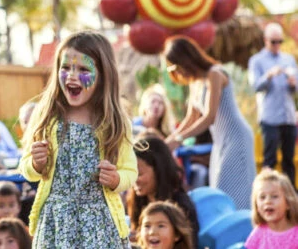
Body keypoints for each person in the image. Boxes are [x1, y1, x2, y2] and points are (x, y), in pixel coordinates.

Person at [18, 30, 137, 248]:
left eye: (83, 69)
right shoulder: (48, 117)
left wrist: (116, 179)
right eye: (65, 68)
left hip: (100, 224)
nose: (72, 76)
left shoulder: (114, 122)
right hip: (56, 223)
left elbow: (130, 171)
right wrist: (36, 164)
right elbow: (25, 168)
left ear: (103, 75)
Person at [163, 35, 256, 209]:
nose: (177, 73)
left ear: (186, 59)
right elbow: (191, 117)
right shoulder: (195, 82)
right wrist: (171, 139)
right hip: (220, 141)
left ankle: (245, 230)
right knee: (218, 188)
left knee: (231, 189)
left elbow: (209, 116)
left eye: (176, 66)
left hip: (236, 137)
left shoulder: (214, 73)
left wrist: (179, 138)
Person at [248, 22, 298, 187]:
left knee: (288, 160)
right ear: (265, 40)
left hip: (288, 116)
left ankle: (290, 197)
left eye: (280, 41)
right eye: (273, 41)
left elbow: (296, 88)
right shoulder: (257, 61)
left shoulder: (288, 59)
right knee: (269, 159)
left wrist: (292, 83)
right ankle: (264, 193)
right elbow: (255, 86)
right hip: (270, 117)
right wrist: (269, 75)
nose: (277, 45)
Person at [126, 137, 199, 247]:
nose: (134, 180)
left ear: (158, 170)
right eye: (147, 226)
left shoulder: (181, 206)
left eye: (139, 174)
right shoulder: (137, 201)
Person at [244, 169, 298, 248]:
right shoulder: (258, 233)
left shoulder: (295, 234)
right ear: (257, 207)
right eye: (262, 197)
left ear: (288, 203)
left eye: (274, 196)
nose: (268, 201)